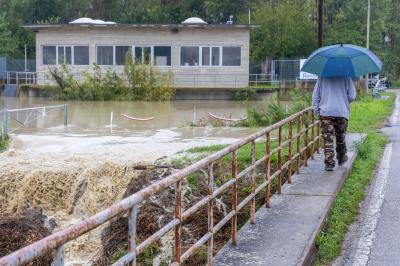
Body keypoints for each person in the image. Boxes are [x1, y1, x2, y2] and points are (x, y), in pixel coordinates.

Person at [312, 77, 357, 171]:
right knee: (341, 137)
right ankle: (341, 158)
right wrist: (343, 101)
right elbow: (352, 96)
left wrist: (316, 110)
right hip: (341, 112)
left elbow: (316, 96)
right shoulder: (346, 77)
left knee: (327, 139)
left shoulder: (322, 78)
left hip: (326, 113)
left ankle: (329, 163)